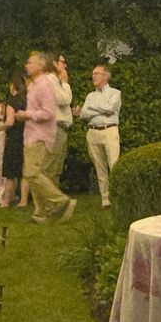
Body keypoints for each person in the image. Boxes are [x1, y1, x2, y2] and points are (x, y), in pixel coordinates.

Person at [22, 51, 76, 223]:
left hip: (46, 132)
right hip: (41, 132)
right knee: (38, 172)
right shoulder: (46, 81)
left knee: (41, 172)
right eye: (62, 62)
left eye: (30, 63)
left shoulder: (48, 82)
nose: (64, 65)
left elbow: (53, 107)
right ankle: (43, 211)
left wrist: (27, 114)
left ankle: (53, 207)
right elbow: (62, 100)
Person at [78, 65, 122, 208]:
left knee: (114, 165)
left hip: (109, 131)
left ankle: (118, 198)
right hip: (93, 132)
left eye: (96, 74)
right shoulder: (90, 96)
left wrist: (93, 108)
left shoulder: (115, 93)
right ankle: (105, 200)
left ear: (105, 76)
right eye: (93, 74)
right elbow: (83, 114)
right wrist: (99, 109)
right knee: (100, 168)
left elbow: (110, 109)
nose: (93, 76)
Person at [2, 72, 29, 206]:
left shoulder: (12, 102)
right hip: (26, 137)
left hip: (14, 139)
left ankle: (6, 201)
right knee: (24, 172)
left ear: (13, 86)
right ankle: (23, 200)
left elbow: (10, 122)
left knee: (10, 173)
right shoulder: (27, 101)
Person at [49, 54, 75, 181]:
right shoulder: (50, 80)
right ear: (54, 63)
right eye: (62, 62)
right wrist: (65, 83)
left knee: (57, 168)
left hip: (61, 129)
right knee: (52, 168)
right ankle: (48, 200)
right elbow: (65, 99)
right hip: (54, 128)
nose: (65, 65)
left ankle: (52, 199)